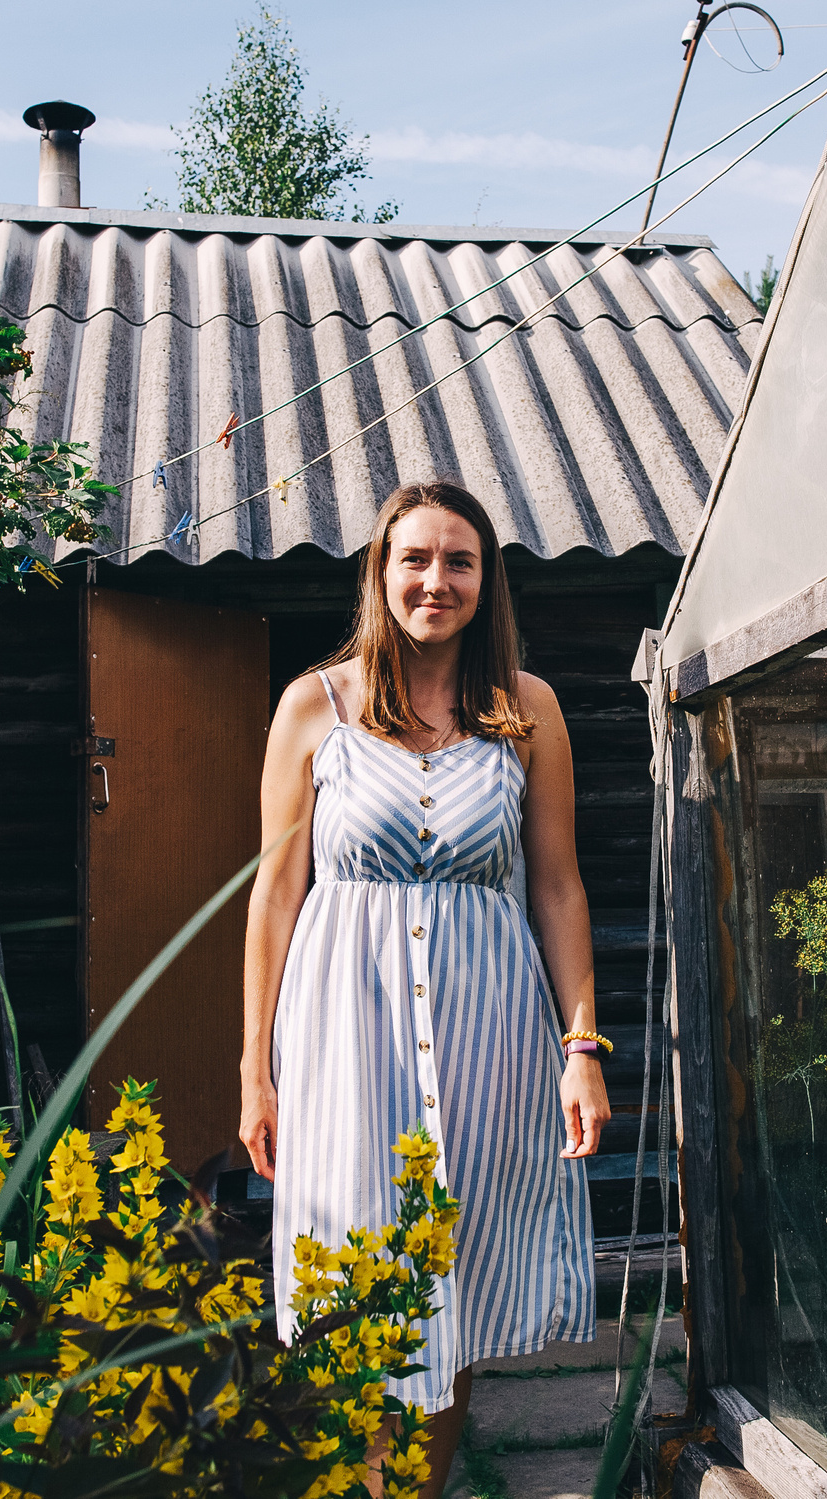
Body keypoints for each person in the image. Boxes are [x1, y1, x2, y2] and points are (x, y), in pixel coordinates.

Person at [239, 480, 607, 1498]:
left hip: (488, 1028)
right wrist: (253, 1073)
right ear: (380, 571)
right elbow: (274, 894)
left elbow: (558, 884)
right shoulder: (313, 705)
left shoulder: (526, 709)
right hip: (343, 1037)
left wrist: (581, 1049)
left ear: (486, 582)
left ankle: (419, 1491)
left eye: (458, 561)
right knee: (358, 1272)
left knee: (457, 1280)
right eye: (415, 558)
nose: (434, 581)